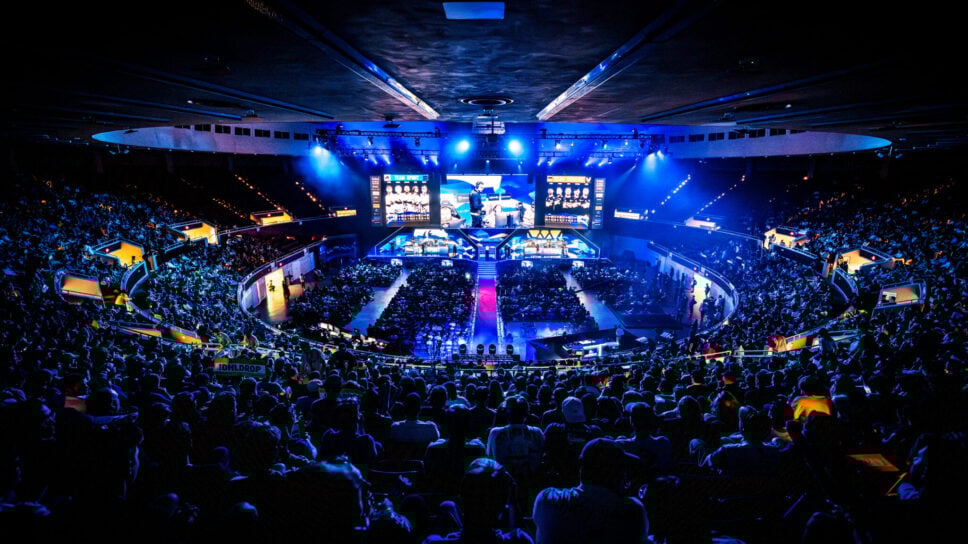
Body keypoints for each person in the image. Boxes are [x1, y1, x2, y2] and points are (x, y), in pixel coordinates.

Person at [532, 438, 649, 544]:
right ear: (616, 473)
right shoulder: (633, 510)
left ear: (581, 468)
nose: (625, 474)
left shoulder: (547, 500)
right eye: (622, 468)